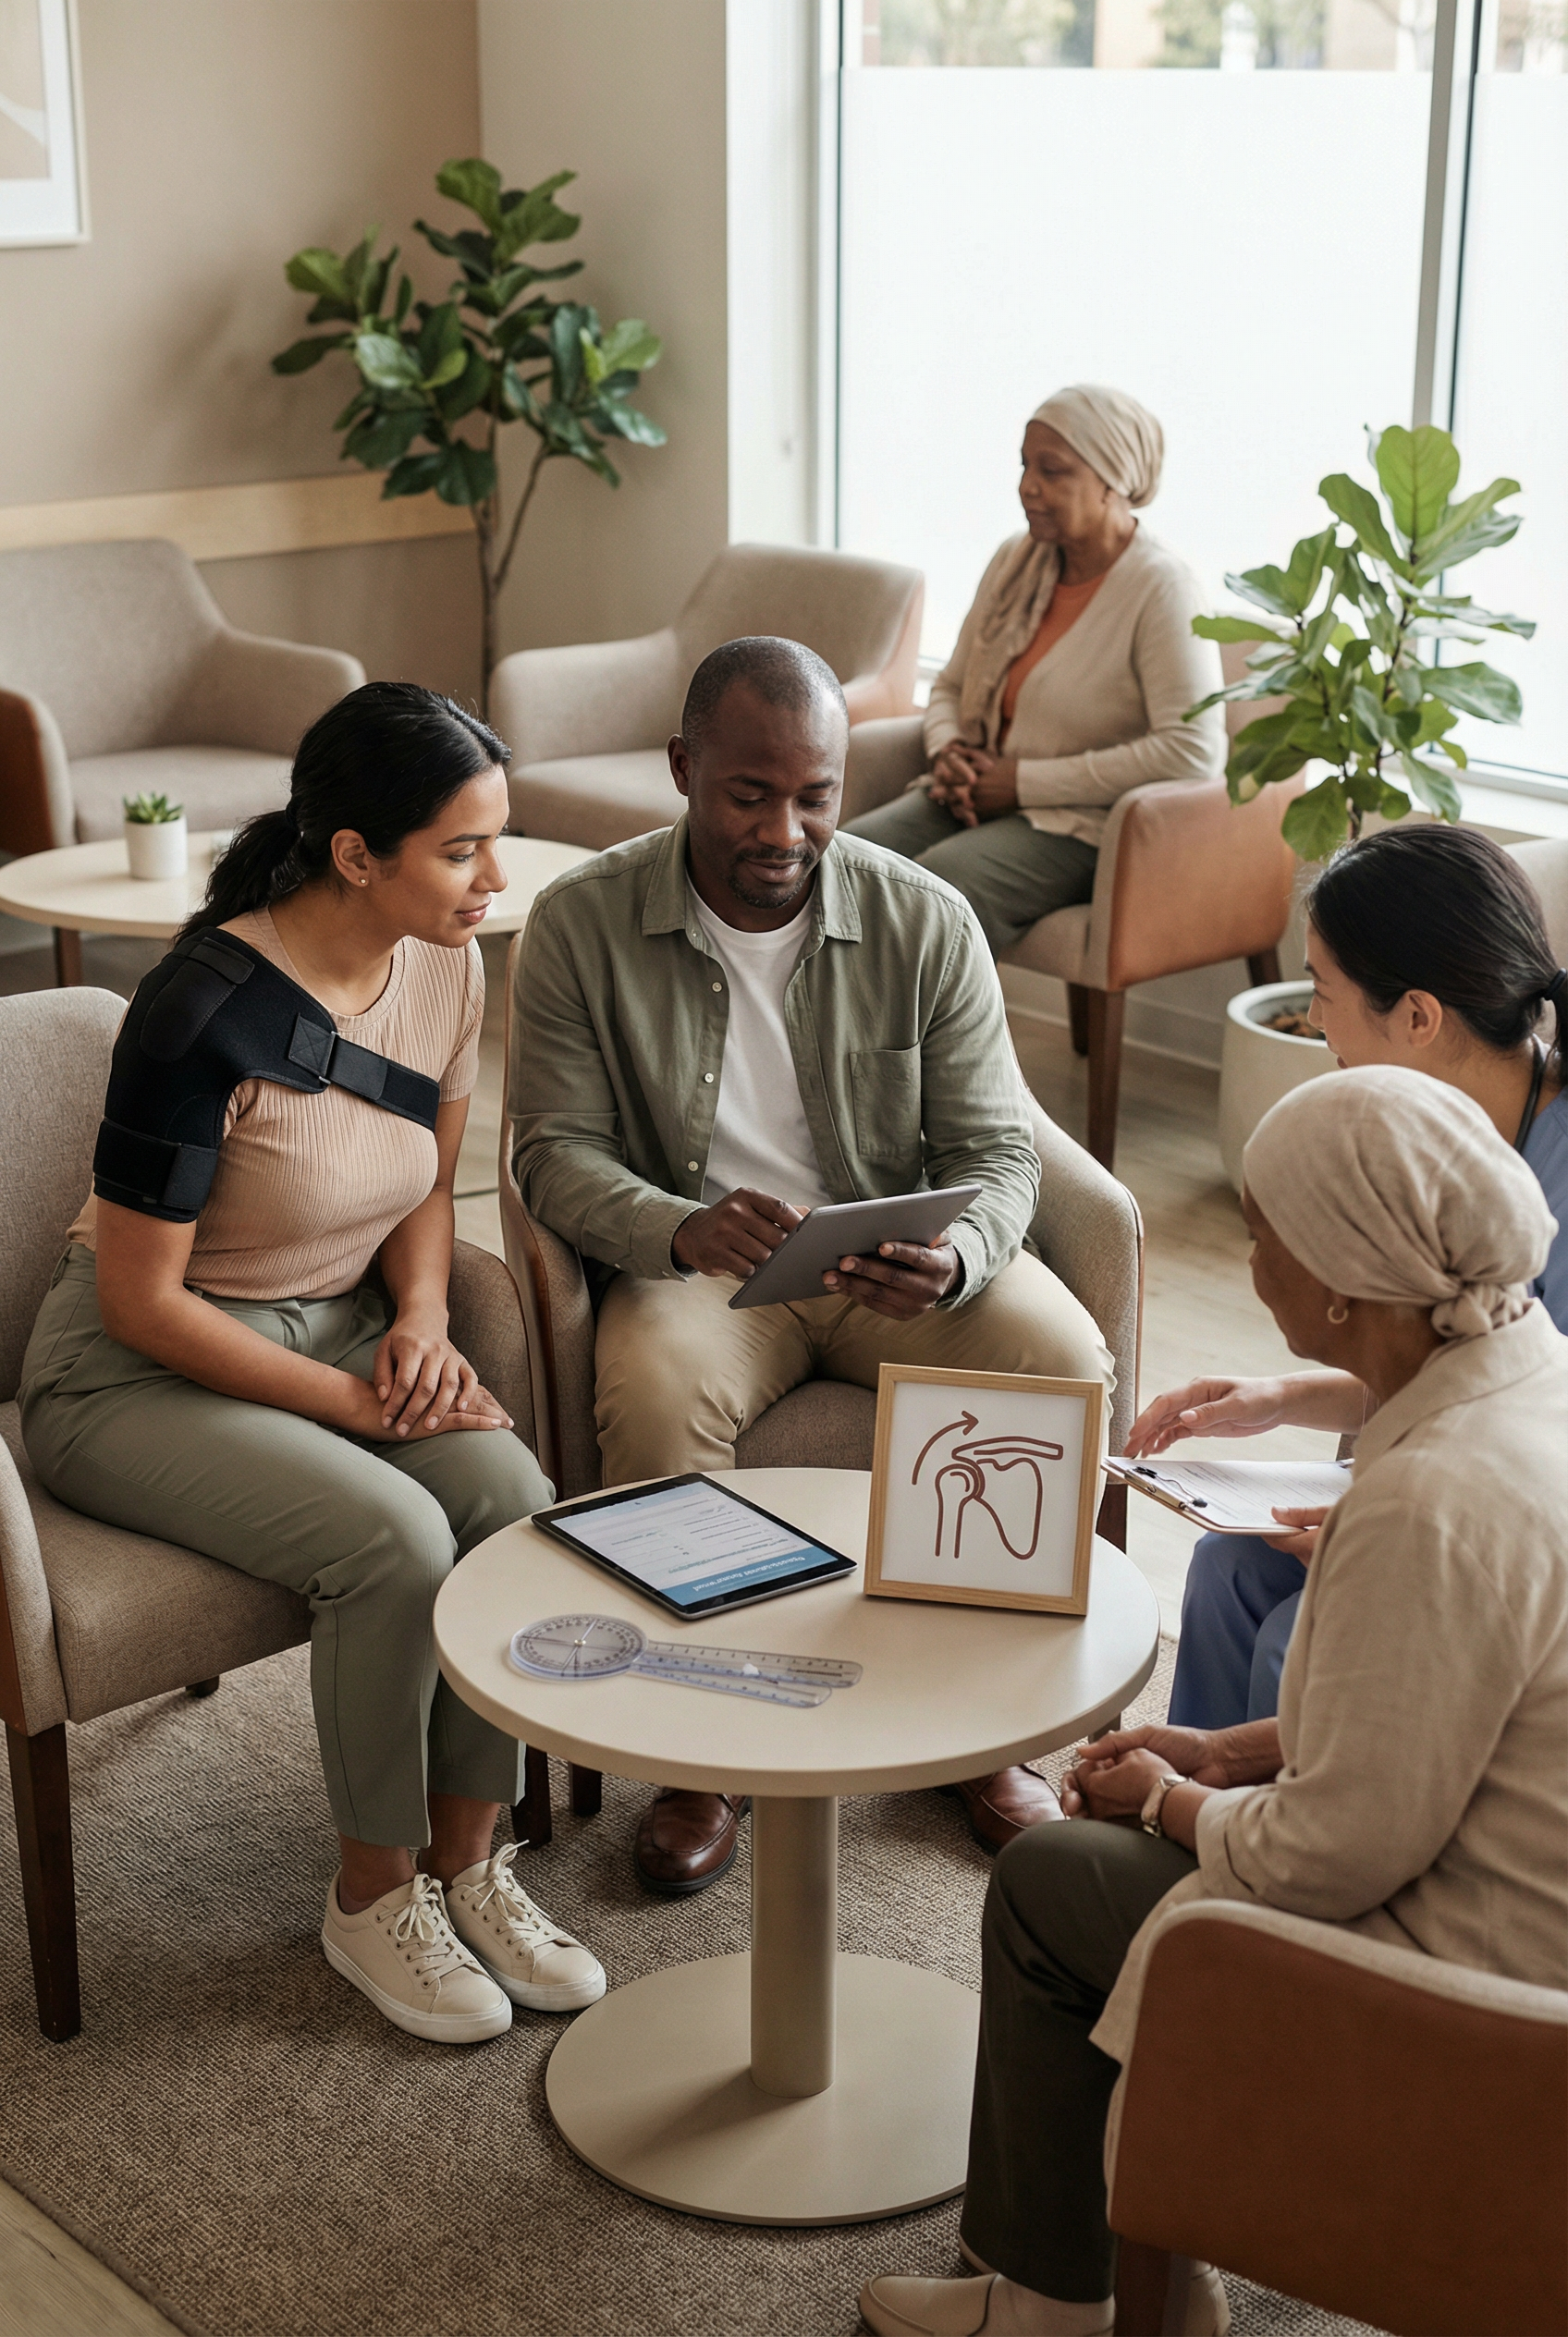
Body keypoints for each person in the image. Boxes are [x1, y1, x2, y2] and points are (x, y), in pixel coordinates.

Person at [858, 1066, 1568, 2337]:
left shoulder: (1427, 1502)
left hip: (1482, 1996)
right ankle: (1108, 2269)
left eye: (1261, 1229)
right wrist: (1228, 1747)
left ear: (1346, 1277)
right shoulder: (1536, 1383)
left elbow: (1332, 1853)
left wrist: (1176, 1800)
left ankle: (1057, 2300)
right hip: (1524, 1899)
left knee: (1053, 1884)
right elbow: (1449, 1715)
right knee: (1100, 1857)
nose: (1249, 1257)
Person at [19, 682, 606, 2047]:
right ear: (356, 853)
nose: (493, 878)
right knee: (395, 1537)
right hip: (133, 1370)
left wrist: (419, 1325)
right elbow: (140, 1301)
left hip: (345, 1319)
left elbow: (422, 1181)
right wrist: (353, 1403)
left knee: (511, 1502)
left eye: (495, 842)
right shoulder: (194, 1013)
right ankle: (371, 1896)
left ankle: (471, 1867)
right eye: (462, 849)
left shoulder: (450, 963)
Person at [509, 634, 1114, 1890]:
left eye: (817, 794)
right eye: (750, 793)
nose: (787, 828)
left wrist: (953, 1259)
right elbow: (552, 1154)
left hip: (888, 1265)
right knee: (657, 1394)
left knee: (1056, 1353)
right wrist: (671, 1224)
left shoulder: (923, 918)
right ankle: (700, 1752)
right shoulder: (580, 922)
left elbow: (1002, 1152)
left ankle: (977, 1718)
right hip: (699, 1268)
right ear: (683, 769)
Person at [1132, 823, 1568, 1733]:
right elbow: (1458, 1365)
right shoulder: (1437, 1141)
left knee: (1305, 1636)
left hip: (1528, 1528)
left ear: (1415, 1015)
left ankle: (1283, 1857)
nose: (1310, 1018)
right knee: (1228, 1570)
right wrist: (1281, 1396)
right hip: (1465, 1482)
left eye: (1323, 992)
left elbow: (1528, 1424)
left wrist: (1399, 1536)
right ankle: (1178, 1827)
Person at [844, 383, 1224, 955]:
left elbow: (1193, 750)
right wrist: (949, 751)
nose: (1027, 486)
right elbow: (949, 686)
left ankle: (910, 1045)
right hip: (971, 795)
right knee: (839, 861)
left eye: (1053, 470)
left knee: (938, 889)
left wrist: (1022, 783)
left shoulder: (1162, 589)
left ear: (1112, 480)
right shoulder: (1013, 560)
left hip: (1082, 825)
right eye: (1025, 466)